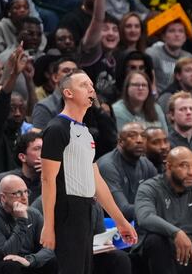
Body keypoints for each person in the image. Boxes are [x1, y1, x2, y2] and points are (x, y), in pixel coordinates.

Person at [39, 70, 137, 273]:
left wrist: (121, 222)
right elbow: (47, 179)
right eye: (84, 85)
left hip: (86, 209)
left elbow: (96, 181)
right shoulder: (56, 128)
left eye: (92, 85)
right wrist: (48, 225)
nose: (91, 88)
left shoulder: (85, 132)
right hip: (66, 209)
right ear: (68, 93)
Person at [0, 174, 57, 274]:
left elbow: (48, 247)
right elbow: (6, 253)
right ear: (3, 197)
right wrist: (22, 221)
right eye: (18, 193)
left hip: (24, 262)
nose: (24, 198)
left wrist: (30, 260)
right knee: (11, 264)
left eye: (26, 192)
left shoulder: (34, 214)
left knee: (53, 260)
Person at [97, 122, 157, 221]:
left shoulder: (146, 164)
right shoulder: (107, 166)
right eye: (132, 136)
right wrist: (157, 210)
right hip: (110, 226)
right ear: (120, 142)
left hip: (139, 219)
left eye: (143, 136)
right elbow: (122, 210)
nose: (139, 140)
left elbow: (161, 197)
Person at [0, 131, 42, 199]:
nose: (43, 153)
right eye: (37, 149)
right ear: (22, 157)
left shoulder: (53, 180)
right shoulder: (3, 181)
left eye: (44, 148)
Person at [167, 92, 192, 159]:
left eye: (191, 109)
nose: (188, 112)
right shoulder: (167, 144)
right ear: (172, 115)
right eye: (182, 109)